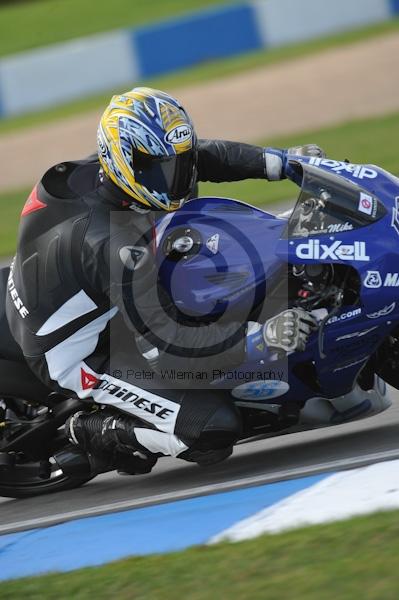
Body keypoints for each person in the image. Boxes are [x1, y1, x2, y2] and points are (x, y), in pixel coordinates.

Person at [6, 87, 319, 475]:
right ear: (123, 161)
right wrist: (260, 337)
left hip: (74, 293)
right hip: (80, 354)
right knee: (209, 428)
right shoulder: (114, 243)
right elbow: (165, 343)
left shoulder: (107, 174)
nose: (175, 179)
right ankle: (91, 429)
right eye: (159, 168)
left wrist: (283, 162)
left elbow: (205, 156)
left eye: (176, 164)